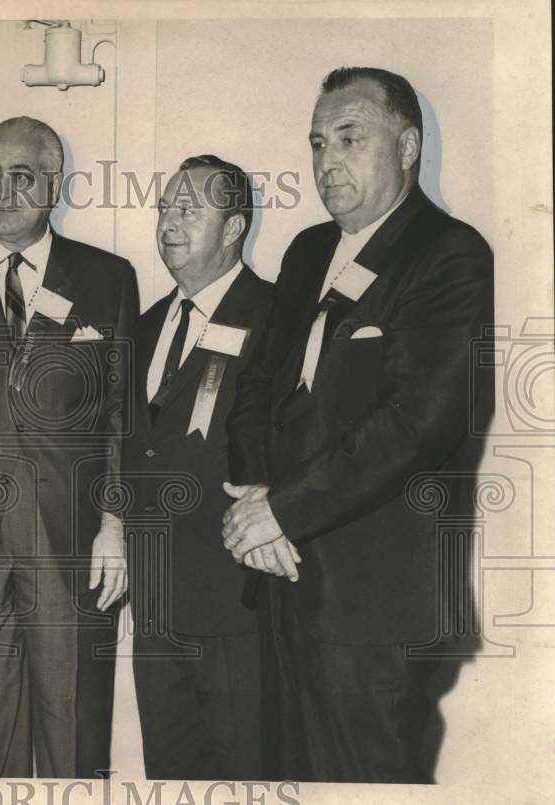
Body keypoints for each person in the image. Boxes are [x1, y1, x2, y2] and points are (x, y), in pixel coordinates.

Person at [223, 67, 493, 783]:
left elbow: (417, 424)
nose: (325, 162)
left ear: (406, 146)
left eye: (349, 138)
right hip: (280, 581)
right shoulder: (308, 250)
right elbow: (258, 385)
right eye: (316, 143)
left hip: (374, 606)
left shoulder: (450, 253)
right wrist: (255, 496)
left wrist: (283, 511)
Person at [0, 116, 139, 778]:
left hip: (68, 534)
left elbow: (121, 412)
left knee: (72, 724)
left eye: (21, 176)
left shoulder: (108, 278)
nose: (2, 192)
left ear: (53, 184)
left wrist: (115, 517)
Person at [124, 155, 276, 780]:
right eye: (164, 208)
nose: (168, 223)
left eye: (188, 209)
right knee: (170, 778)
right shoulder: (142, 327)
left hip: (239, 606)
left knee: (248, 776)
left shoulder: (277, 317)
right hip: (156, 609)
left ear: (235, 226)